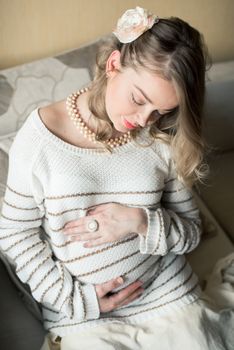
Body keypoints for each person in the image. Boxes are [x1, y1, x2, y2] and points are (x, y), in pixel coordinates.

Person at [0, 6, 224, 350]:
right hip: (82, 316)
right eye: (139, 99)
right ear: (114, 64)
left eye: (161, 111)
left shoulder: (159, 140)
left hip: (168, 296)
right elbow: (15, 236)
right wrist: (79, 301)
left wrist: (140, 222)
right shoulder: (41, 139)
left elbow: (191, 233)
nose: (144, 119)